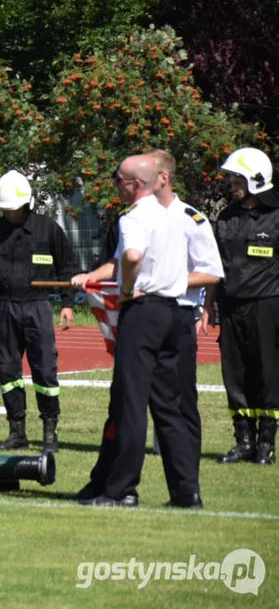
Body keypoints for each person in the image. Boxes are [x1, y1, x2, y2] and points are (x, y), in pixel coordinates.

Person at [74, 150, 224, 487]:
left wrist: (128, 287)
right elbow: (120, 260)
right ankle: (186, 491)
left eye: (118, 182)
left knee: (135, 402)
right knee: (167, 406)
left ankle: (121, 488)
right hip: (172, 312)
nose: (115, 187)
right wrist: (94, 276)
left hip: (153, 311)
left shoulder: (162, 217)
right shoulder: (167, 217)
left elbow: (133, 256)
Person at [0, 170, 75, 452]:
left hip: (38, 306)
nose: (9, 213)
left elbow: (67, 268)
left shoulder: (47, 228)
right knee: (8, 372)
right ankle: (17, 432)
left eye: (12, 208)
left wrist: (67, 303)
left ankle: (50, 433)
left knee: (45, 371)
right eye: (4, 209)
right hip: (3, 309)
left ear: (26, 203)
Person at [207, 147, 279, 465]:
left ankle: (266, 444)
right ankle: (243, 441)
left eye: (237, 178)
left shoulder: (276, 216)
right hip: (231, 308)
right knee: (234, 375)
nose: (231, 184)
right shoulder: (226, 217)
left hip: (267, 306)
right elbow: (215, 267)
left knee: (268, 374)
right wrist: (208, 307)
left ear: (256, 180)